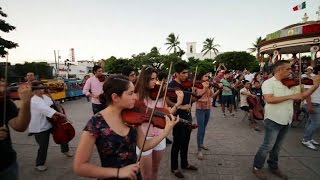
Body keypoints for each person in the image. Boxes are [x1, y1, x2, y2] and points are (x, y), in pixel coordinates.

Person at [73, 75, 178, 180]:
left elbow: (143, 145)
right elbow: (80, 167)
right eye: (130, 93)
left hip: (134, 176)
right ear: (115, 97)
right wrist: (118, 172)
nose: (135, 97)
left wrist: (165, 132)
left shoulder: (133, 117)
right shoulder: (96, 123)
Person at [252, 60, 320, 180]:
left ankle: (273, 166)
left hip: (287, 119)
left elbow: (302, 96)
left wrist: (314, 86)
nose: (291, 71)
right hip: (273, 119)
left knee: (278, 146)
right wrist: (291, 96)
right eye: (288, 69)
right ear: (279, 70)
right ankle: (257, 167)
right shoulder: (268, 83)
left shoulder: (292, 83)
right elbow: (269, 99)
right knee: (267, 145)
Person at [134, 67, 183, 180]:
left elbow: (167, 113)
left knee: (155, 169)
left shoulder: (159, 96)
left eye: (156, 79)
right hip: (144, 137)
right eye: (151, 79)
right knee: (145, 174)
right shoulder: (136, 96)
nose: (155, 82)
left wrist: (178, 103)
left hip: (160, 136)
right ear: (144, 80)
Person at [28, 81, 73, 172]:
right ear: (34, 90)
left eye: (42, 87)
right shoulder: (34, 100)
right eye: (40, 88)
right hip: (40, 127)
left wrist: (57, 105)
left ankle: (65, 150)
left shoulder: (45, 97)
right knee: (43, 145)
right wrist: (61, 115)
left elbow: (52, 105)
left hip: (51, 123)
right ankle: (39, 163)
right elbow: (45, 109)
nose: (42, 89)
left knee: (63, 135)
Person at [166, 62, 198, 178]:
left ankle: (184, 164)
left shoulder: (187, 85)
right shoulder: (172, 85)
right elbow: (168, 101)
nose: (186, 75)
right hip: (177, 118)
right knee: (177, 143)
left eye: (187, 72)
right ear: (176, 73)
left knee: (186, 142)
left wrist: (195, 96)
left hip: (187, 117)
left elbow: (191, 100)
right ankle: (174, 168)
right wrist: (180, 106)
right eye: (183, 73)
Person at [0, 77, 33, 180]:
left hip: (6, 164)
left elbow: (20, 126)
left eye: (3, 80)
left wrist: (26, 103)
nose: (4, 84)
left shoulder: (5, 102)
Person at [194, 71, 220, 160]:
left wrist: (219, 90)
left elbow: (212, 96)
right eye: (205, 76)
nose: (208, 78)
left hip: (208, 108)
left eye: (208, 77)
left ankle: (201, 143)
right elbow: (197, 97)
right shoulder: (197, 86)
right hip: (200, 109)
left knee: (204, 127)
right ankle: (199, 150)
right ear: (201, 77)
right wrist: (205, 89)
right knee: (200, 129)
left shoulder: (208, 85)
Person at [301, 65, 320, 150]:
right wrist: (309, 105)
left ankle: (309, 138)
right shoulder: (311, 79)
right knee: (316, 123)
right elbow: (306, 92)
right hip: (313, 104)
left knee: (310, 122)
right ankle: (306, 139)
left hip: (316, 103)